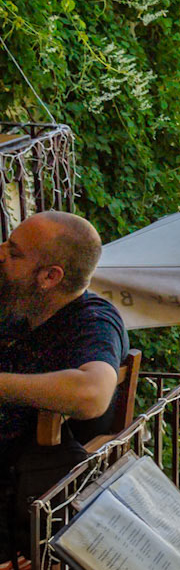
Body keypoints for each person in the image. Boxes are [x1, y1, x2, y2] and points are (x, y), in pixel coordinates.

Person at [0, 212, 128, 547]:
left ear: (50, 276)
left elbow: (92, 393)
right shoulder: (18, 302)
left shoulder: (93, 321)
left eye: (14, 253)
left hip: (24, 503)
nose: (1, 253)